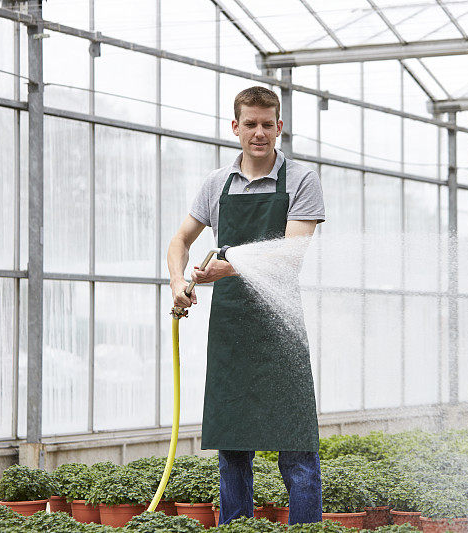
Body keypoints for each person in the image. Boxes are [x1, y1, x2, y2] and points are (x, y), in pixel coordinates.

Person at [166, 86, 325, 525]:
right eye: (250, 124)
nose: (259, 133)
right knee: (233, 451)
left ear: (280, 128)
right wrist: (179, 280)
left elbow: (291, 253)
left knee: (297, 449)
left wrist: (227, 265)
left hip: (280, 328)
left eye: (267, 124)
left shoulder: (300, 181)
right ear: (235, 128)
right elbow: (181, 240)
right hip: (232, 331)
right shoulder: (216, 184)